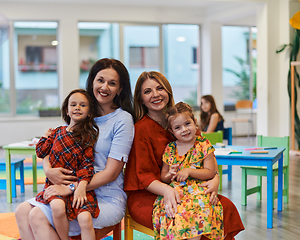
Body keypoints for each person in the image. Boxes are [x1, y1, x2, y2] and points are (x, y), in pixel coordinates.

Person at [15, 58, 135, 240]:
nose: (105, 87)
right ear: (92, 81)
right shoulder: (82, 110)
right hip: (70, 190)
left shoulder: (122, 120)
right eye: (100, 80)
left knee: (36, 216)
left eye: (112, 83)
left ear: (120, 89)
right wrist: (48, 170)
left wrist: (72, 187)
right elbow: (55, 144)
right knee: (21, 211)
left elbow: (111, 173)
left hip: (105, 195)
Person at [124, 71, 244, 240]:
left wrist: (215, 179)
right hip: (148, 195)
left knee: (225, 206)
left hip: (190, 189)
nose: (155, 94)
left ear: (168, 91)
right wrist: (167, 190)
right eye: (147, 91)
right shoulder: (140, 129)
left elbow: (206, 158)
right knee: (190, 215)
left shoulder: (183, 122)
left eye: (160, 88)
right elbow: (143, 176)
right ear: (140, 98)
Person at [34, 89, 100, 240]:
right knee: (57, 206)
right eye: (73, 105)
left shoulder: (88, 136)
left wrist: (82, 186)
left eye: (83, 105)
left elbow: (87, 165)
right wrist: (44, 137)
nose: (77, 107)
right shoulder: (57, 132)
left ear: (89, 112)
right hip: (55, 183)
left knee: (85, 219)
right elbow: (41, 152)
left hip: (76, 185)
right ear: (67, 110)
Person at [152, 102, 223, 240]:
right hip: (175, 191)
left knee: (195, 211)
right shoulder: (170, 149)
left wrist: (189, 171)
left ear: (195, 122)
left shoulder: (203, 144)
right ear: (172, 131)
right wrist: (169, 174)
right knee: (171, 213)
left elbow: (210, 171)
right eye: (177, 127)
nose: (184, 129)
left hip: (197, 190)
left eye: (187, 124)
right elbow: (163, 177)